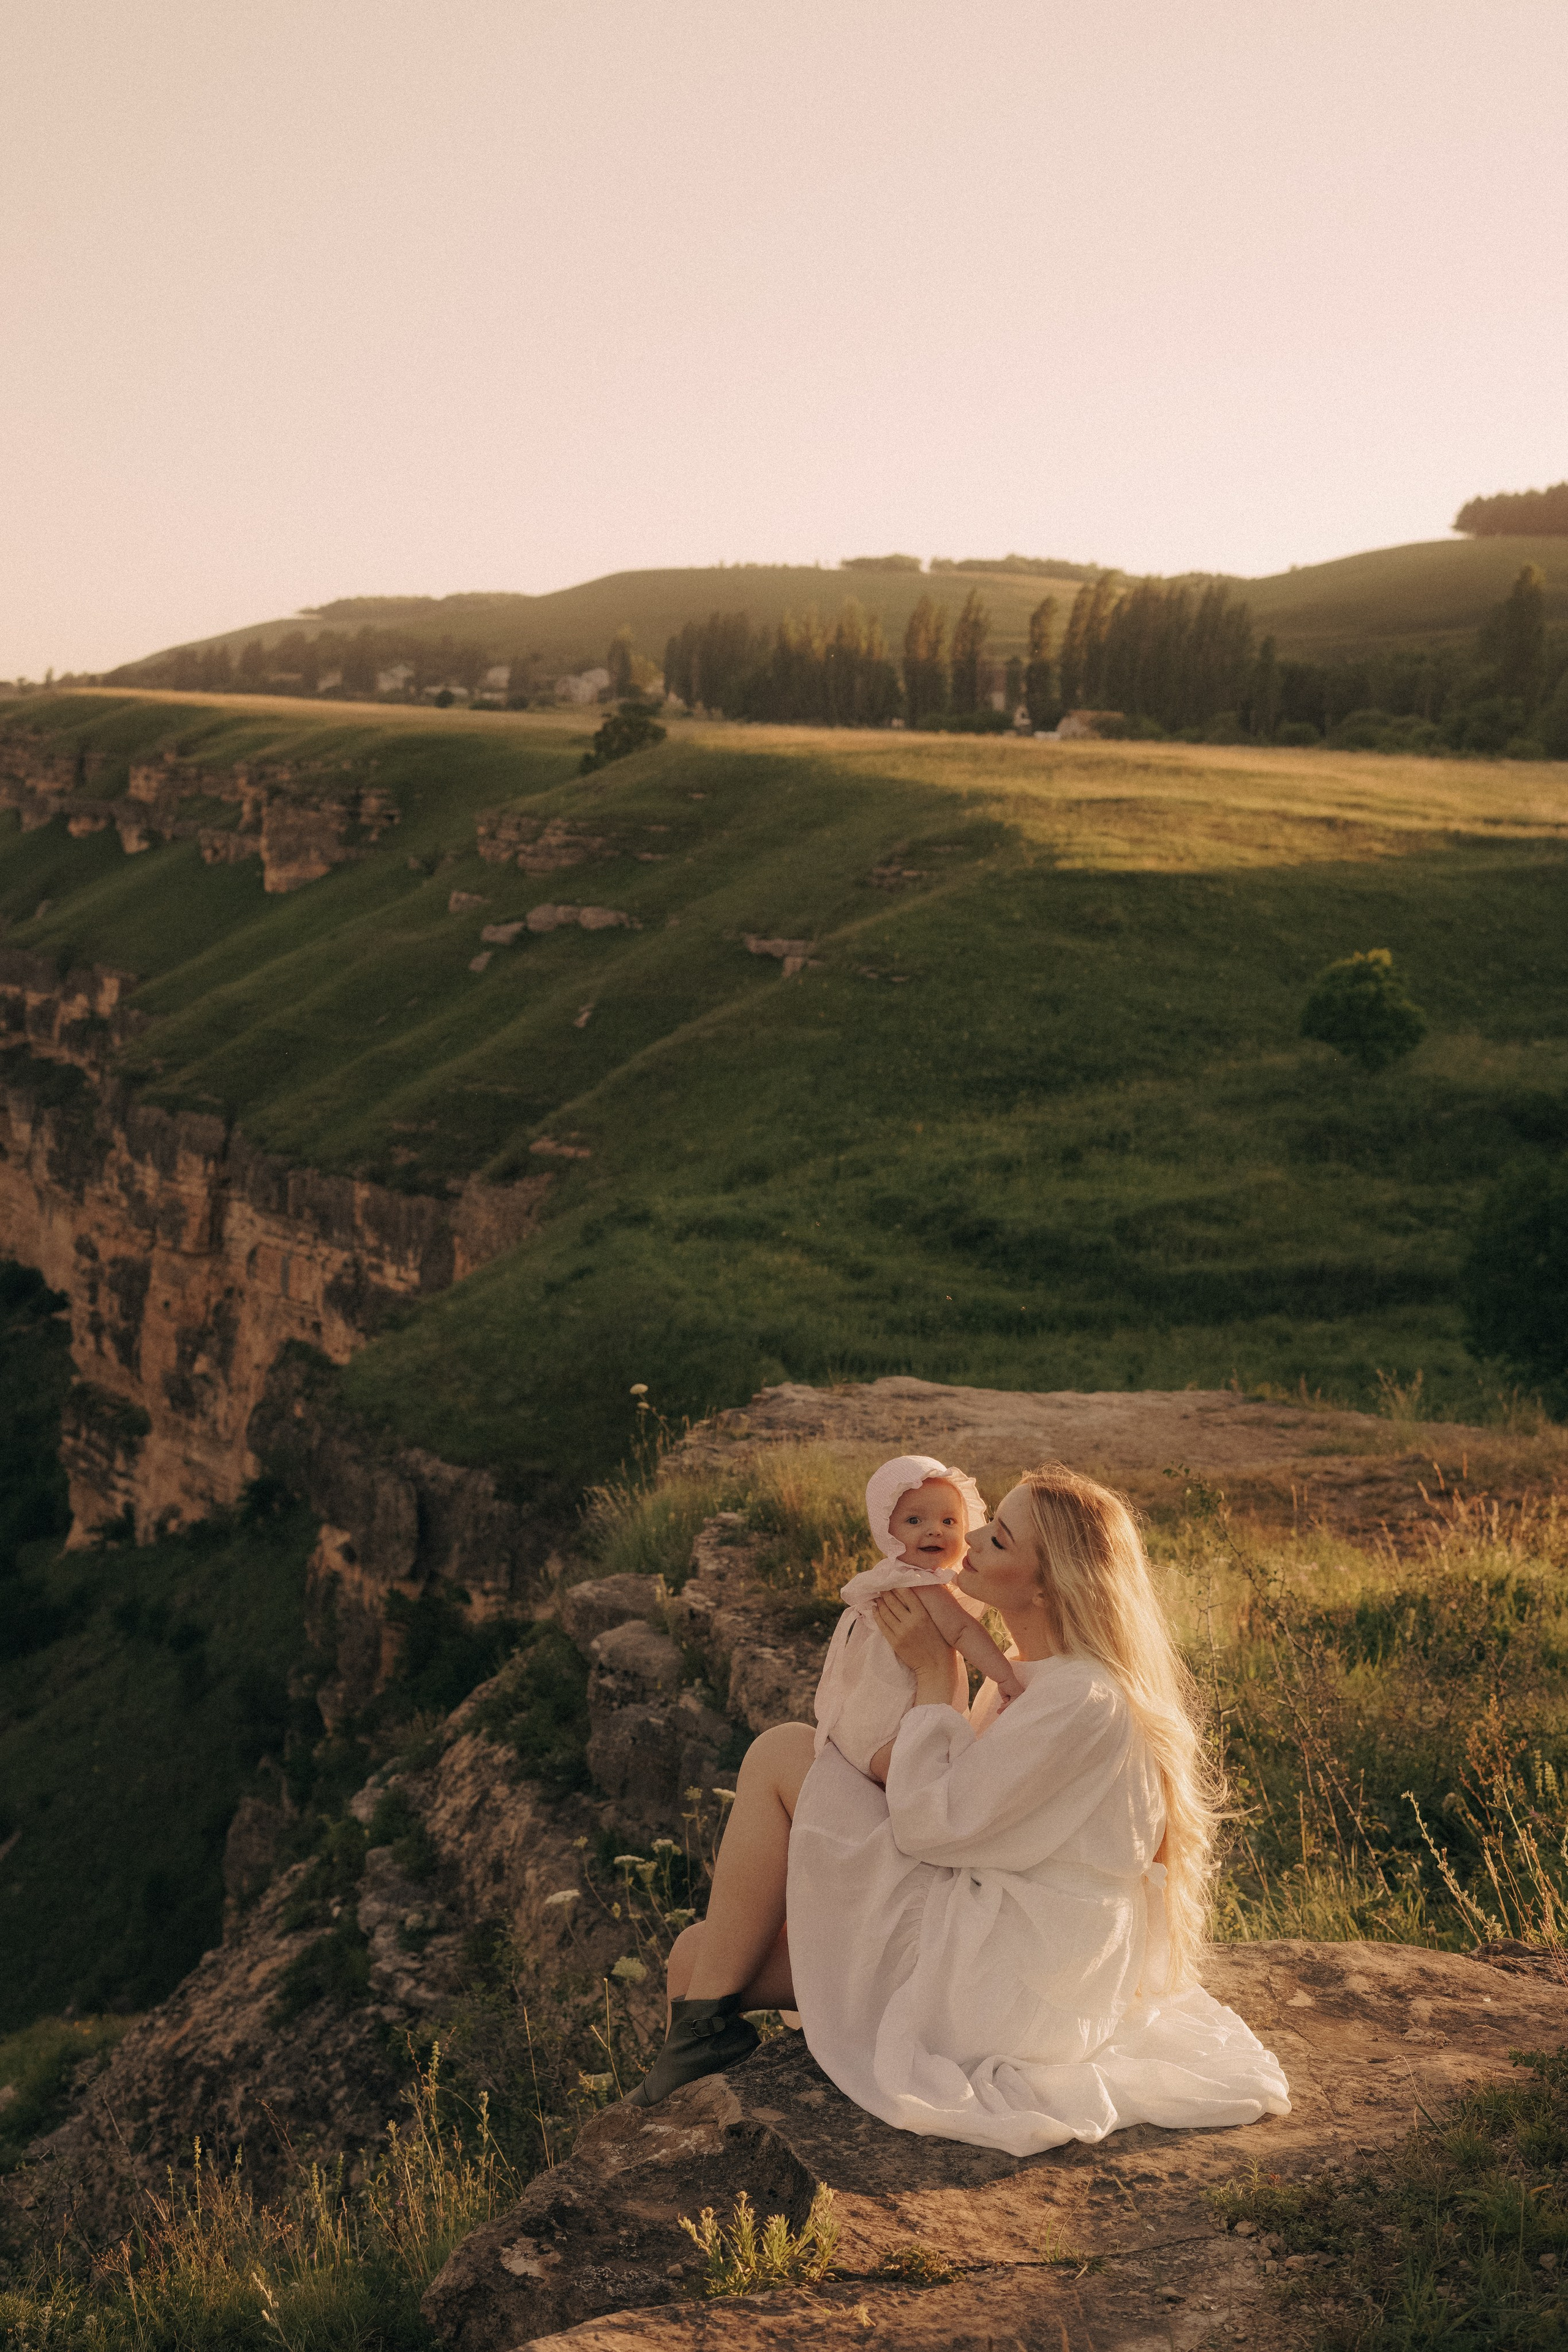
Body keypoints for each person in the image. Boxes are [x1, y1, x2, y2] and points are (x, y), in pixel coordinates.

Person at [626, 1464, 1288, 2151]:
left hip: (1005, 1983)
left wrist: (933, 1677)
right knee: (696, 1957)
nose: (967, 1536)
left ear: (1045, 1583)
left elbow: (932, 1827)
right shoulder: (1032, 1674)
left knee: (780, 1753)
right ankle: (694, 2082)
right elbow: (947, 1814)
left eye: (998, 1538)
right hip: (992, 1935)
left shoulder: (1080, 1700)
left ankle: (685, 2090)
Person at [813, 1454, 1025, 1785]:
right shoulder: (920, 1585)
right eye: (914, 1521)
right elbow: (962, 1631)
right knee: (911, 1771)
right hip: (895, 1713)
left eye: (949, 1522)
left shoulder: (890, 1578)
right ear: (886, 1530)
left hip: (862, 1713)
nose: (934, 1532)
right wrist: (1005, 1677)